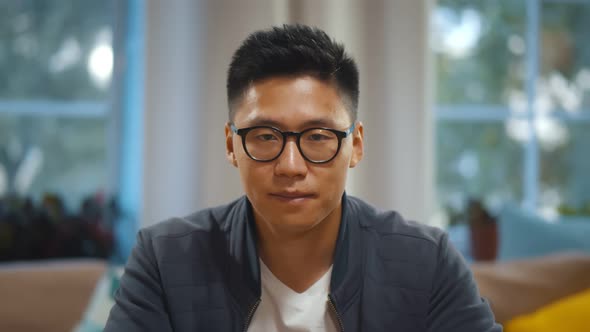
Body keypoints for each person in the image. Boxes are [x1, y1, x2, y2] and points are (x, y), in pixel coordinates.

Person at [105, 24, 502, 332]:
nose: (291, 166)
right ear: (231, 145)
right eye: (264, 136)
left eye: (317, 137)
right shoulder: (165, 260)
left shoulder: (426, 263)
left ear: (356, 145)